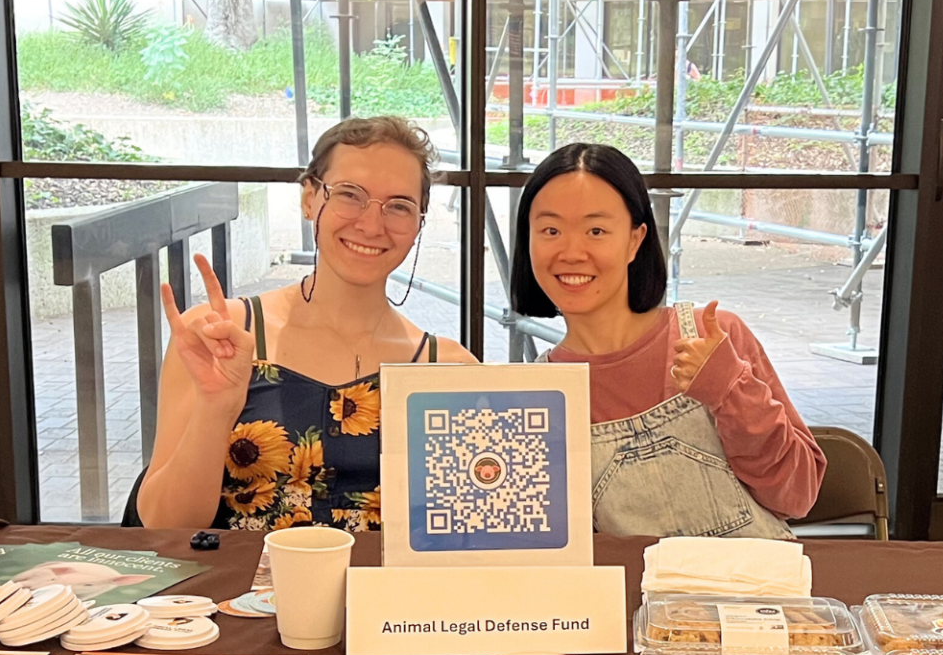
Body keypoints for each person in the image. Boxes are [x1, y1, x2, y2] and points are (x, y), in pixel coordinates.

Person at [138, 116, 477, 531]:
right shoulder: (223, 334)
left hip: (386, 595)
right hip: (243, 594)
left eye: (399, 207)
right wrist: (215, 407)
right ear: (309, 198)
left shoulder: (448, 368)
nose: (372, 225)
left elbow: (468, 533)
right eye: (350, 195)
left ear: (419, 224)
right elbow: (163, 525)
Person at [511, 141, 826, 538]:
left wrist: (730, 389)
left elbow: (797, 496)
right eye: (551, 230)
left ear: (635, 239)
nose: (572, 252)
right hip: (631, 599)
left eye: (596, 230)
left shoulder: (714, 336)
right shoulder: (537, 396)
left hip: (755, 596)